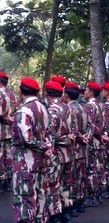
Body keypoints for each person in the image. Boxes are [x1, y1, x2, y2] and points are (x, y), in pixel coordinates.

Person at [12, 78, 52, 223]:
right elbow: (49, 133)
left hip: (25, 160)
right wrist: (47, 147)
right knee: (39, 191)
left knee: (24, 195)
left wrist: (43, 146)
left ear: (21, 90)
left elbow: (26, 139)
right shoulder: (43, 108)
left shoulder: (24, 110)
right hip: (41, 159)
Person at [44, 80, 74, 223]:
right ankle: (65, 212)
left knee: (53, 184)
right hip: (68, 152)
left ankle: (55, 214)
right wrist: (68, 137)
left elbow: (50, 134)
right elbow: (74, 130)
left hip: (56, 154)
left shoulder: (52, 110)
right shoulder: (68, 107)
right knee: (65, 182)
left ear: (46, 93)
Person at [65, 82, 89, 216]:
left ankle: (71, 206)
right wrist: (86, 137)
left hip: (72, 147)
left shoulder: (68, 109)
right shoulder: (84, 108)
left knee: (70, 177)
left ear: (66, 95)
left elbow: (73, 131)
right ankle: (80, 202)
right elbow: (90, 125)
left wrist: (79, 137)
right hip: (83, 147)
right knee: (81, 175)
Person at [83, 82, 107, 207]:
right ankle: (100, 193)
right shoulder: (102, 105)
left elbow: (91, 126)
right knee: (99, 167)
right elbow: (105, 124)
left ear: (91, 93)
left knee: (91, 168)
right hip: (100, 141)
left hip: (92, 141)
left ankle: (92, 196)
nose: (84, 92)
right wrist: (104, 135)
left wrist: (94, 136)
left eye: (86, 90)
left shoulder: (89, 106)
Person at [0, 72, 16, 193]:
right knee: (9, 156)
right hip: (9, 130)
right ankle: (9, 180)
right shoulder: (12, 95)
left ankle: (1, 180)